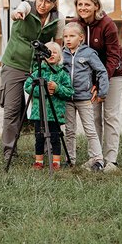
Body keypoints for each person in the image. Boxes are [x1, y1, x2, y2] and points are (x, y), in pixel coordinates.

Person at [0, 0, 65, 163]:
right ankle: (9, 152)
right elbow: (19, 10)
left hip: (38, 67)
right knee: (12, 110)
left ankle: (47, 150)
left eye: (48, 1)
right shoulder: (27, 7)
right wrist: (17, 14)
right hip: (15, 64)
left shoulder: (58, 19)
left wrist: (55, 65)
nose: (43, 4)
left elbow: (58, 45)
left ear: (54, 3)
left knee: (44, 109)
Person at [73, 0, 122, 172]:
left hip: (113, 72)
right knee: (93, 116)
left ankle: (111, 160)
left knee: (110, 115)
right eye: (80, 4)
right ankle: (96, 158)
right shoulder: (75, 24)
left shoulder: (107, 24)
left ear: (96, 6)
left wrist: (102, 82)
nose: (83, 8)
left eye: (87, 4)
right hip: (88, 76)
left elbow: (113, 57)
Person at [62, 22, 109, 172]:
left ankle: (98, 159)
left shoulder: (88, 53)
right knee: (69, 130)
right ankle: (70, 159)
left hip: (84, 98)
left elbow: (101, 71)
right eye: (65, 36)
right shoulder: (62, 54)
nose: (68, 39)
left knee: (90, 129)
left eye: (72, 36)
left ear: (81, 37)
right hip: (67, 98)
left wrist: (102, 92)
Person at [23, 42, 73, 170]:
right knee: (39, 138)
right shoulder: (37, 72)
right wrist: (43, 91)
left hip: (55, 113)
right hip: (39, 112)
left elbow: (69, 91)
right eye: (48, 52)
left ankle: (56, 162)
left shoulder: (62, 73)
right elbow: (27, 86)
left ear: (60, 56)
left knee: (55, 138)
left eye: (55, 52)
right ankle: (38, 161)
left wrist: (57, 89)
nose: (51, 54)